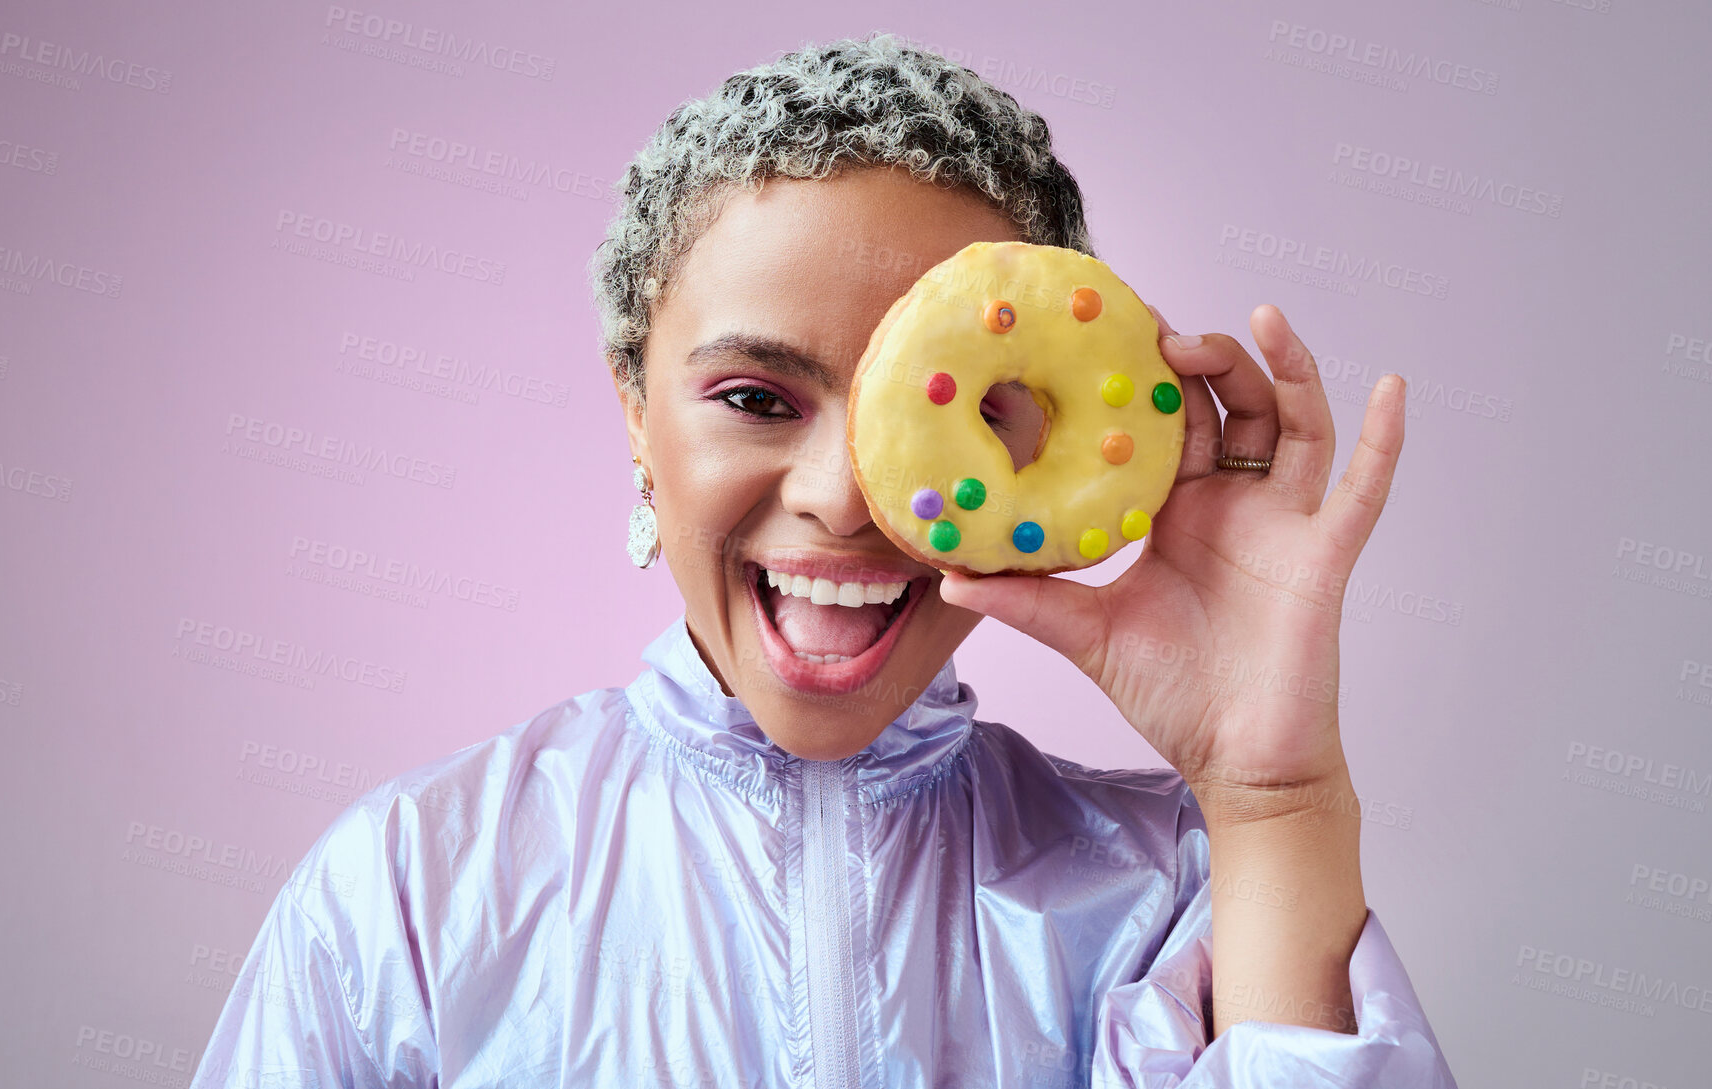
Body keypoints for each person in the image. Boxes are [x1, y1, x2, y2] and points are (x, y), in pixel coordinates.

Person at [191, 32, 1458, 1088]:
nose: (845, 499)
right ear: (637, 411)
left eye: (964, 411)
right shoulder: (409, 895)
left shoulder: (1174, 896)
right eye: (755, 397)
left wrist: (1273, 799)